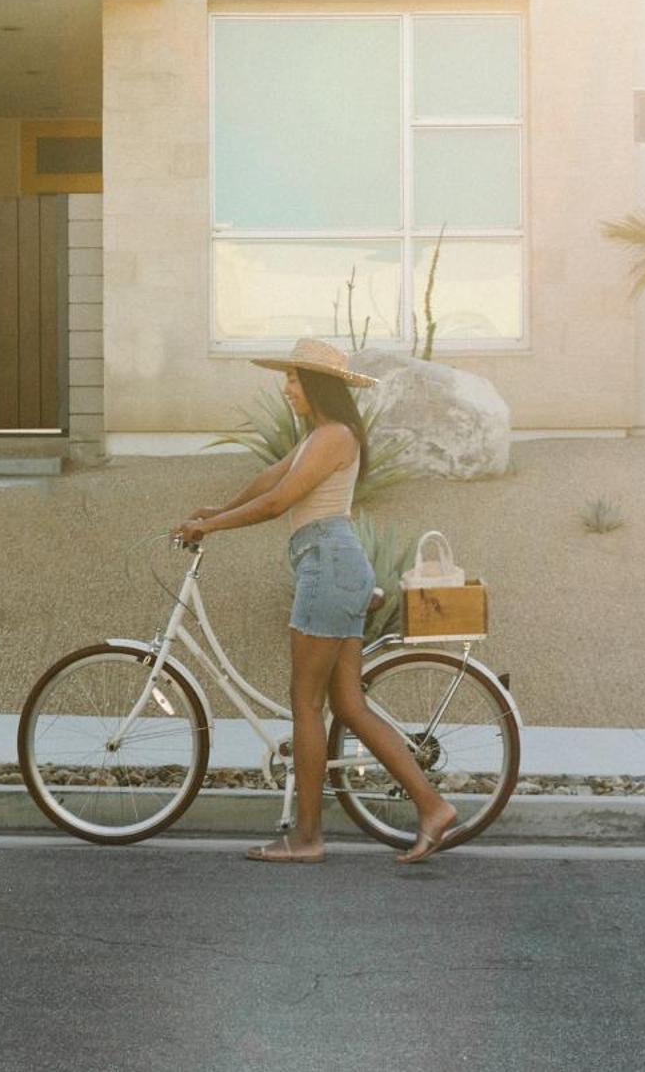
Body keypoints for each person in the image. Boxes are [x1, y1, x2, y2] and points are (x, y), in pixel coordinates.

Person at [174, 338, 457, 866]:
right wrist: (218, 506)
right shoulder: (319, 437)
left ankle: (307, 837)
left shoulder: (334, 436)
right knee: (348, 704)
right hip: (329, 564)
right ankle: (432, 806)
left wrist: (211, 526)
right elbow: (269, 480)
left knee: (307, 705)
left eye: (294, 380)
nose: (286, 388)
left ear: (317, 386)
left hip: (329, 565)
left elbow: (279, 502)